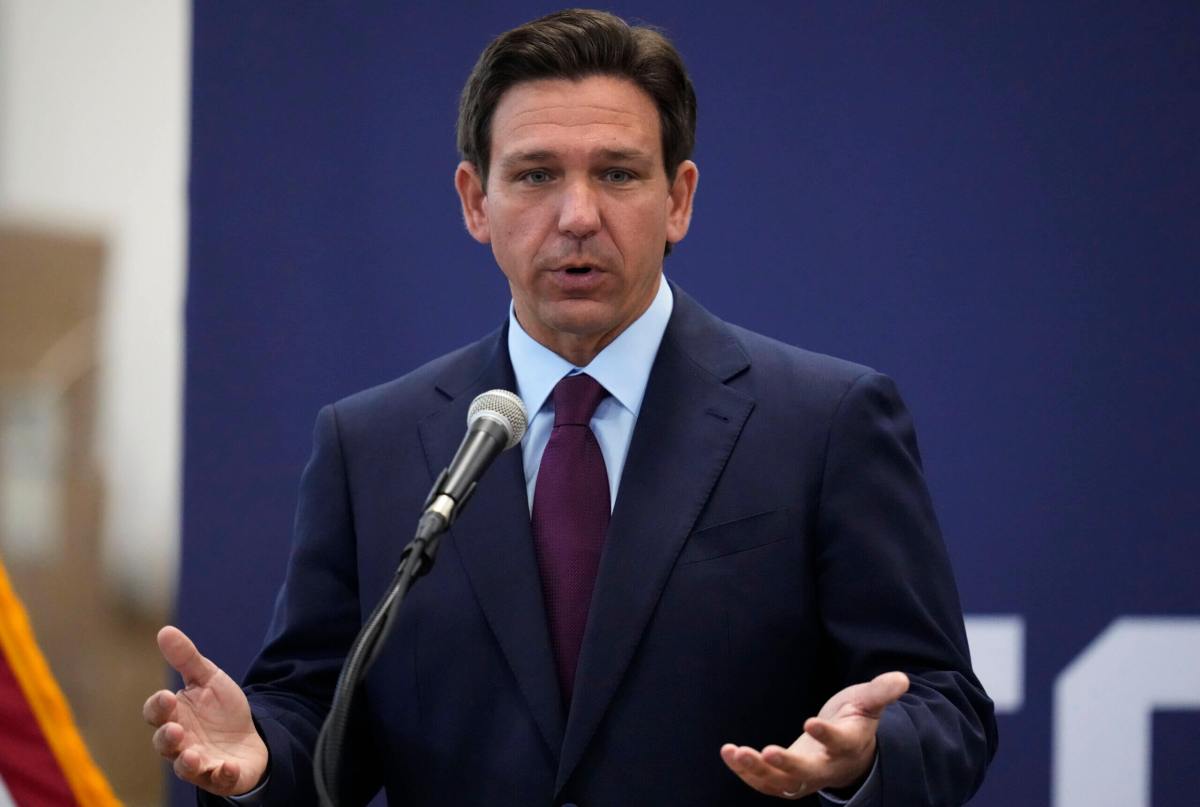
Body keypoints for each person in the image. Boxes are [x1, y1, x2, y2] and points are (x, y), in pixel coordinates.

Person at [144, 9, 997, 805]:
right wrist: (259, 756)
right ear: (477, 202)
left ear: (679, 199)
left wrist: (867, 754)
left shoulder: (825, 421)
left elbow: (945, 705)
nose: (578, 215)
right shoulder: (369, 444)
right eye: (536, 174)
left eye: (618, 174)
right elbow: (317, 714)